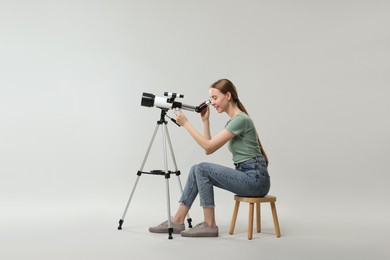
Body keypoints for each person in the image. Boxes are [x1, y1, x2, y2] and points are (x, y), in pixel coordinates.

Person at [149, 79, 270, 237]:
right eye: (210, 99)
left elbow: (208, 146)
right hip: (249, 176)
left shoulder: (241, 120)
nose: (212, 102)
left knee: (202, 168)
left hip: (256, 180)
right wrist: (205, 120)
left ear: (227, 96)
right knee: (196, 169)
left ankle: (210, 224)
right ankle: (178, 221)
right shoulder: (234, 121)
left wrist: (186, 124)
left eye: (215, 98)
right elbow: (209, 149)